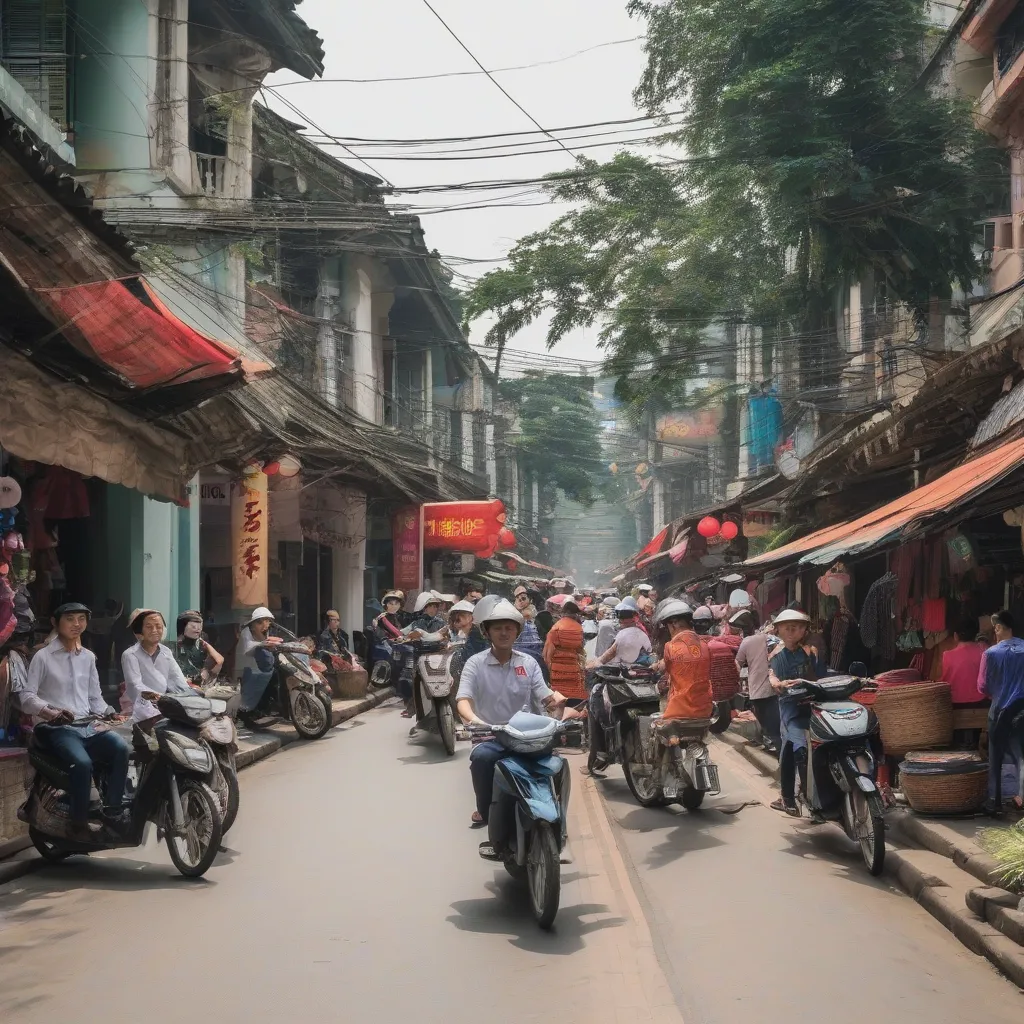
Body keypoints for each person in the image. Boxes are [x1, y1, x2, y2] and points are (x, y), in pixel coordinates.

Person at [18, 602, 130, 838]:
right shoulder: (43, 657)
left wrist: (110, 711)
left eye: (81, 619)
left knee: (121, 748)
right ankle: (78, 822)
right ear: (55, 622)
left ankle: (112, 811)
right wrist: (50, 712)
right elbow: (27, 697)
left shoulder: (88, 657)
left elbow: (94, 698)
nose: (77, 624)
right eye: (70, 619)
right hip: (54, 728)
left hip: (87, 725)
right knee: (82, 763)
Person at [456, 600, 566, 828]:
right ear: (487, 632)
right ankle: (486, 812)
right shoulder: (474, 664)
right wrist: (475, 720)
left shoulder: (529, 663)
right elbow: (463, 700)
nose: (504, 633)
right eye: (497, 628)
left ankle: (560, 825)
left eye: (509, 627)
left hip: (528, 737)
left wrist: (557, 703)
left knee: (558, 765)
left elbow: (544, 695)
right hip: (490, 735)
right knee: (481, 759)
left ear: (517, 631)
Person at [768, 609, 818, 815]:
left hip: (813, 702)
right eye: (786, 627)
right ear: (778, 630)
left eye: (796, 626)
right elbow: (772, 677)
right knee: (796, 746)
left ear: (804, 630)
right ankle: (790, 797)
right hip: (790, 705)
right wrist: (779, 684)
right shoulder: (777, 655)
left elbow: (821, 674)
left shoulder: (810, 652)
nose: (791, 630)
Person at [977, 610, 1024, 813]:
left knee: (995, 756)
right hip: (1022, 709)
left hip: (1000, 709)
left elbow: (983, 686)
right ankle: (1021, 799)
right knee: (1021, 756)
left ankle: (995, 802)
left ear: (998, 628)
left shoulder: (991, 653)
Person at [121, 609, 195, 723]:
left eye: (158, 626)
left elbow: (177, 677)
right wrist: (162, 698)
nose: (155, 630)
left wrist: (190, 694)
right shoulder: (130, 655)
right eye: (149, 627)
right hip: (137, 707)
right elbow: (136, 686)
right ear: (139, 631)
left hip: (163, 705)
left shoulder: (166, 652)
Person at [656, 600, 713, 721]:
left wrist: (655, 666)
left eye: (668, 626)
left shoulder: (670, 647)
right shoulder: (705, 645)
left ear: (674, 624)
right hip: (705, 709)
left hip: (679, 711)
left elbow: (663, 667)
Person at [735, 616, 780, 751]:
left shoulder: (746, 642)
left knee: (772, 729)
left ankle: (781, 758)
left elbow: (737, 664)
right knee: (777, 728)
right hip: (777, 689)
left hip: (758, 691)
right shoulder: (775, 640)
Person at [236, 606, 282, 727]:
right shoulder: (246, 632)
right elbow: (247, 648)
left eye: (267, 621)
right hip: (248, 666)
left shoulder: (269, 632)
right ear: (253, 624)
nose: (264, 624)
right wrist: (262, 644)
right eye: (260, 622)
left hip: (263, 666)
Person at [543, 597, 588, 710]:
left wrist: (549, 670)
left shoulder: (556, 628)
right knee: (575, 704)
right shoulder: (579, 629)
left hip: (558, 673)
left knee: (560, 705)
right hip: (574, 671)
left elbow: (546, 655)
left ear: (563, 613)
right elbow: (580, 650)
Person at [592, 600, 652, 668]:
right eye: (619, 614)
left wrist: (598, 662)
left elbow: (611, 652)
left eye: (625, 615)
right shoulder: (634, 628)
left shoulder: (633, 631)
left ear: (634, 616)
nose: (621, 619)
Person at [172, 610, 224, 686]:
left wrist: (206, 644)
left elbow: (219, 660)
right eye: (193, 626)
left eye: (200, 627)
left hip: (198, 686)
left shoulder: (201, 648)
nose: (198, 629)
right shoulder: (174, 648)